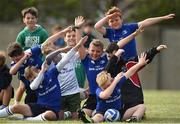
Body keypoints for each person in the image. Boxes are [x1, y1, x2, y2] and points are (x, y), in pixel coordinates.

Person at [0, 36, 87, 121]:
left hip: (53, 109)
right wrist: (41, 71)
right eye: (31, 78)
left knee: (49, 115)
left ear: (37, 69)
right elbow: (33, 86)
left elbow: (65, 58)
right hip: (40, 107)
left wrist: (78, 45)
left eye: (33, 76)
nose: (33, 79)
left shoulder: (52, 73)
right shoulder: (34, 84)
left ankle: (30, 119)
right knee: (15, 107)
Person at [79, 53, 148, 123]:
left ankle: (134, 119)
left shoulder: (116, 81)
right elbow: (105, 95)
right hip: (102, 112)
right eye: (109, 79)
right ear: (103, 85)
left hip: (119, 112)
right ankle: (91, 121)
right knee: (98, 116)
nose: (112, 78)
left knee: (142, 107)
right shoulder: (99, 90)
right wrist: (115, 82)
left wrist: (140, 64)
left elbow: (130, 72)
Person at [105, 43, 167, 122]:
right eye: (108, 57)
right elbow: (106, 72)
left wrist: (155, 50)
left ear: (120, 55)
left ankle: (135, 118)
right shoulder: (108, 69)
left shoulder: (128, 63)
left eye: (112, 56)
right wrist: (114, 57)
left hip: (135, 100)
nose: (110, 59)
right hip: (120, 105)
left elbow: (144, 57)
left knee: (141, 107)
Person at [94, 6, 175, 60]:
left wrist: (163, 18)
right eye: (111, 21)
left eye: (117, 20)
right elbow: (97, 26)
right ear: (108, 23)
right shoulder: (109, 32)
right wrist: (108, 17)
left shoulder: (129, 27)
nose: (114, 22)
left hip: (132, 60)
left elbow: (146, 22)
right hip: (117, 62)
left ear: (121, 20)